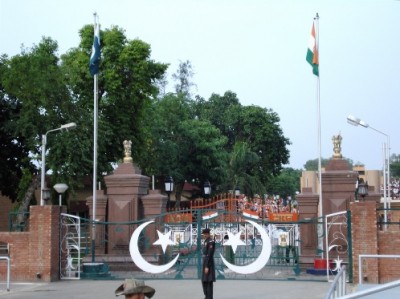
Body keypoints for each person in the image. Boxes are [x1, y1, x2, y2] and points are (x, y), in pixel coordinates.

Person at [201, 228, 216, 299]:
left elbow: (209, 255)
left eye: (206, 234)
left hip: (208, 263)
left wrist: (207, 266)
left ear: (208, 234)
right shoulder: (206, 241)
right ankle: (206, 296)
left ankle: (209, 297)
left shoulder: (211, 242)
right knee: (204, 280)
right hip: (205, 262)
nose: (204, 235)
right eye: (204, 234)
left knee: (209, 281)